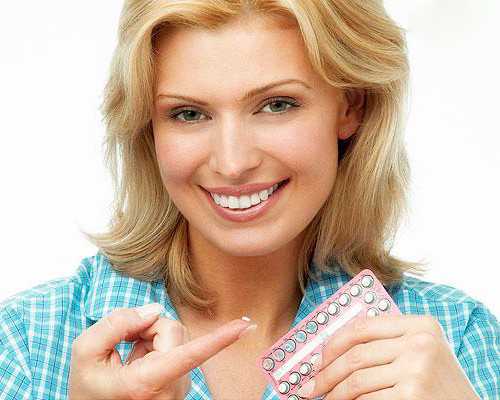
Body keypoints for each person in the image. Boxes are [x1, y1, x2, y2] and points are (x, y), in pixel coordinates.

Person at [0, 0, 498, 399]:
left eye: (277, 105)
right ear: (147, 126)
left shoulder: (458, 339)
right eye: (189, 114)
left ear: (350, 107)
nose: (233, 162)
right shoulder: (27, 343)